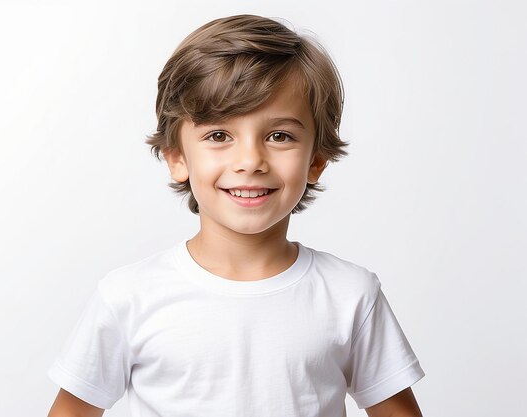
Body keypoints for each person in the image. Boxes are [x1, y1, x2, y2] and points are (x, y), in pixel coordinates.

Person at [46, 14, 425, 417]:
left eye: (279, 136)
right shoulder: (129, 296)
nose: (250, 161)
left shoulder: (351, 295)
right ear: (177, 158)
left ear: (316, 161)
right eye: (218, 136)